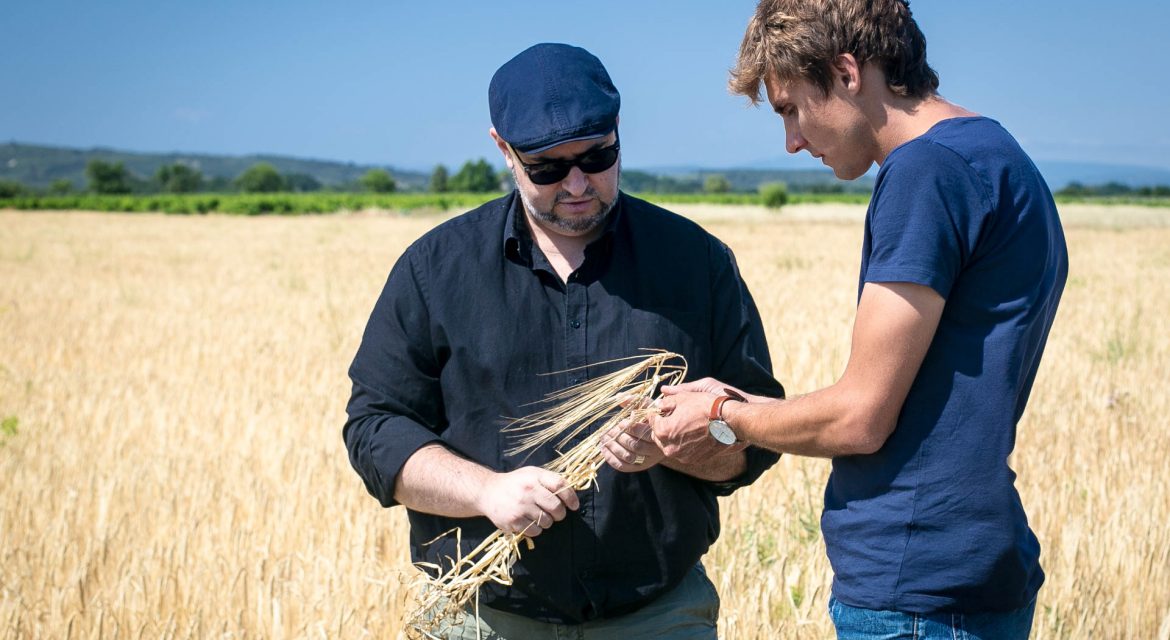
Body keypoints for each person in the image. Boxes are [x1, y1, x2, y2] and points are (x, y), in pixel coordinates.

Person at [649, 2, 1068, 639]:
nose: (790, 141)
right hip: (975, 565)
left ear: (847, 71)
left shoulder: (925, 173)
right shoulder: (997, 154)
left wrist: (722, 418)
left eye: (791, 108)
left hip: (916, 586)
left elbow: (861, 417)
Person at [343, 42, 784, 639]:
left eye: (598, 156)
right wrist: (488, 493)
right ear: (503, 148)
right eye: (547, 167)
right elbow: (375, 428)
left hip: (657, 616)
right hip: (484, 617)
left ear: (619, 131)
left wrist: (684, 446)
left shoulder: (697, 263)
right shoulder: (435, 270)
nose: (577, 183)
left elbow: (756, 432)